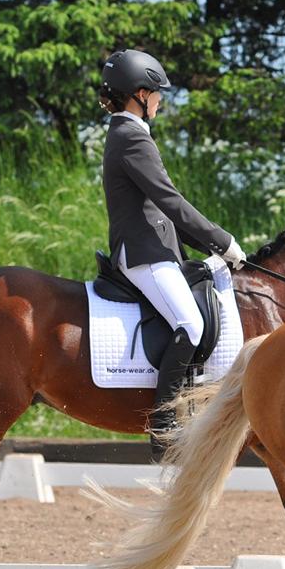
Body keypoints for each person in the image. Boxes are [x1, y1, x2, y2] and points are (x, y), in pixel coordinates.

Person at [97, 49, 248, 459]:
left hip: (156, 248)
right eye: (157, 94)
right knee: (191, 324)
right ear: (140, 94)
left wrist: (211, 246)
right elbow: (170, 201)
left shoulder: (131, 133)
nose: (161, 101)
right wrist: (222, 240)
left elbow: (166, 209)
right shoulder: (130, 136)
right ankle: (164, 429)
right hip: (143, 253)